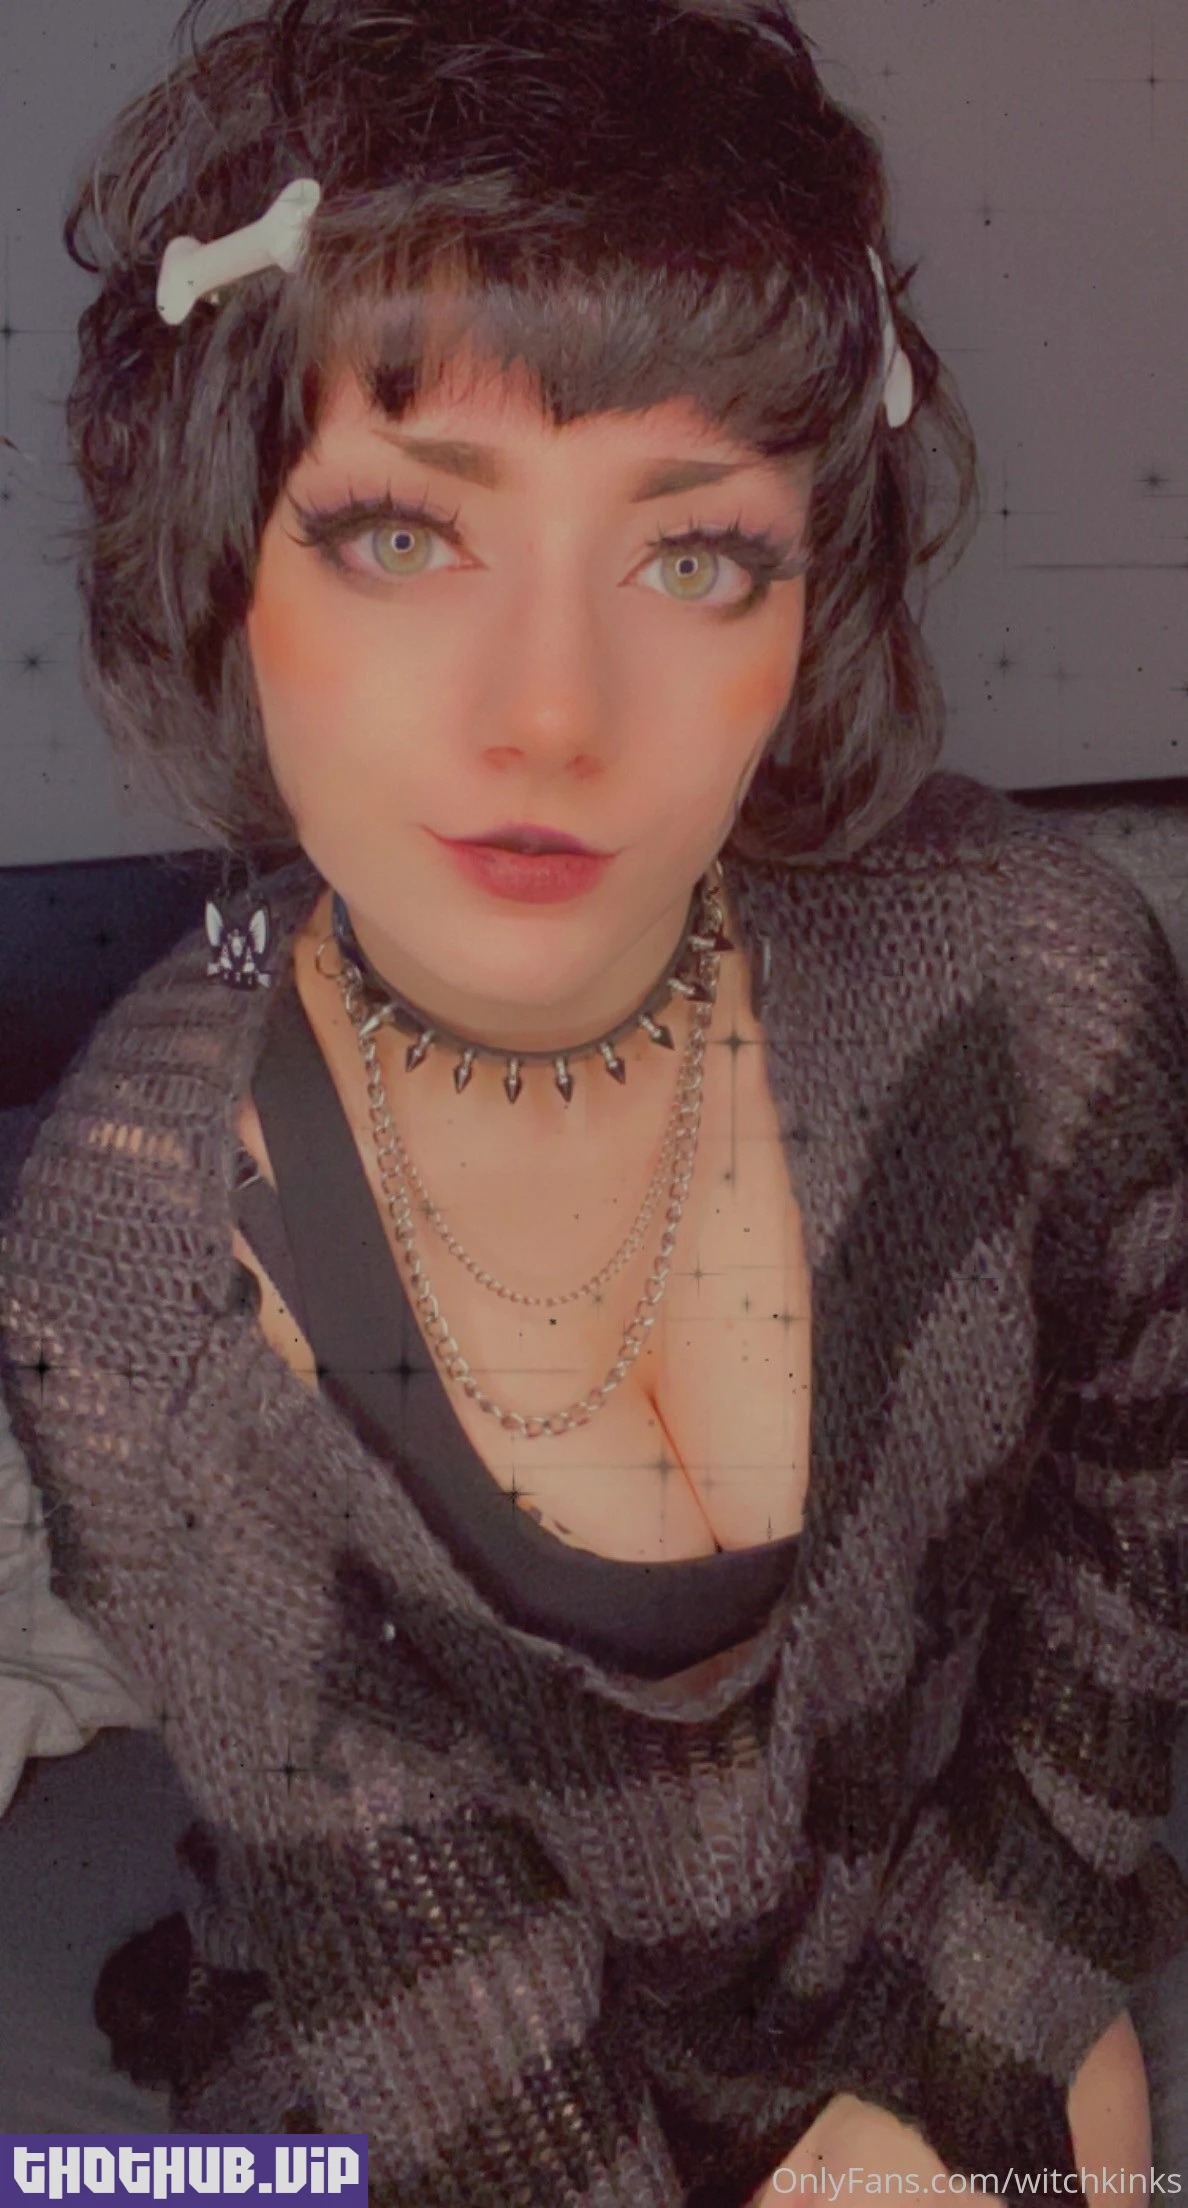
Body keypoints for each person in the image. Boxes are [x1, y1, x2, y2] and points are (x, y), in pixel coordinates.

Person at [1, 0, 1185, 2198]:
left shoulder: (1038, 987)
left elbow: (1130, 1563)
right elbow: (458, 2054)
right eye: (401, 534)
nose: (552, 709)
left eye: (693, 554)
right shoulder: (134, 1276)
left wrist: (974, 2046)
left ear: (806, 603)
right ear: (231, 565)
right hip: (444, 2075)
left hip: (945, 1955)